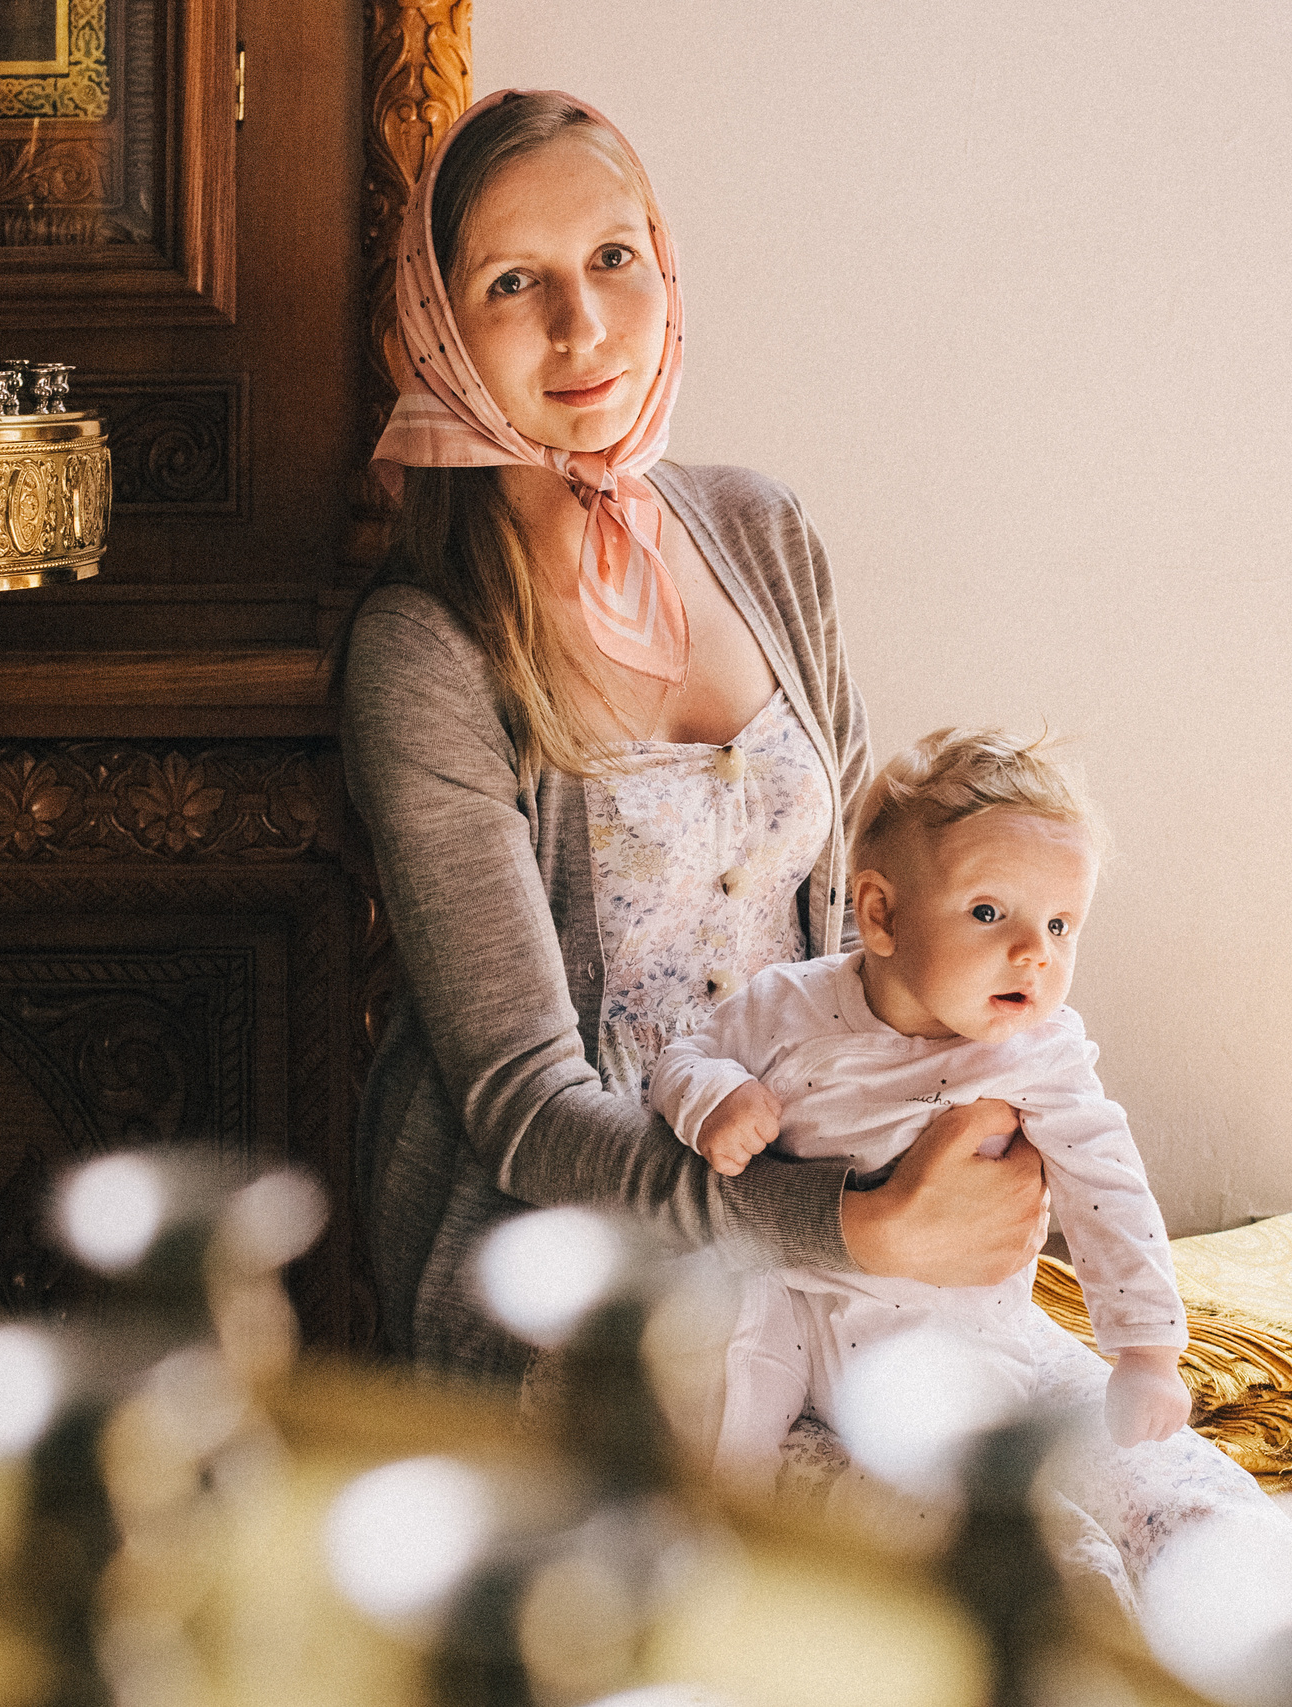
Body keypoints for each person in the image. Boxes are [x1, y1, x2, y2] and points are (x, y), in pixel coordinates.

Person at [340, 87, 1045, 1386]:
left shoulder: (762, 531)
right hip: (566, 1245)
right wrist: (849, 1226)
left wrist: (966, 1104)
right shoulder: (423, 648)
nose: (584, 324)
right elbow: (522, 1105)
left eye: (614, 257)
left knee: (1075, 1480)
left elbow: (860, 923)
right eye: (513, 284)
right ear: (437, 331)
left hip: (826, 1171)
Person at [649, 728, 1195, 1486]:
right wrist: (716, 1098)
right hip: (790, 1295)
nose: (1036, 951)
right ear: (881, 915)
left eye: (1061, 925)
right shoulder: (788, 1004)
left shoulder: (1040, 1052)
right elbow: (680, 1057)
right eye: (988, 912)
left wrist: (1147, 1354)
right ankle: (710, 1517)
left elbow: (1109, 1187)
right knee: (712, 1355)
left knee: (948, 1480)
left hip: (942, 1331)